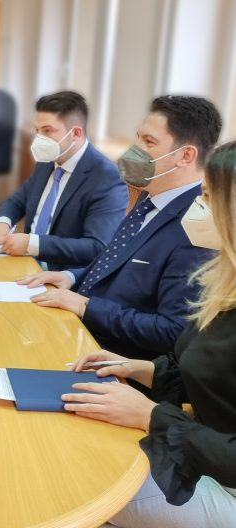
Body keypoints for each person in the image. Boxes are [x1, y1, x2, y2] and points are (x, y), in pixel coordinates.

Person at [62, 141, 236, 527]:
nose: (197, 207)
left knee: (75, 475)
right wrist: (143, 369)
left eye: (209, 198)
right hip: (196, 449)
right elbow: (214, 374)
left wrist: (152, 415)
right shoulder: (223, 283)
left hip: (226, 486)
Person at [22, 95, 221, 360]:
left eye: (149, 142)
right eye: (138, 138)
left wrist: (87, 307)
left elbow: (173, 331)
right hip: (80, 330)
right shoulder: (148, 198)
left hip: (114, 359)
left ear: (186, 156)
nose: (134, 149)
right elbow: (114, 262)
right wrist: (71, 278)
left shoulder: (198, 229)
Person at [0, 90, 127, 271]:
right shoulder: (48, 160)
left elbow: (97, 247)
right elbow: (18, 200)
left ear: (76, 133)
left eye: (48, 130)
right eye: (37, 131)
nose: (39, 139)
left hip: (61, 276)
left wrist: (33, 244)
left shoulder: (107, 178)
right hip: (23, 262)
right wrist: (2, 223)